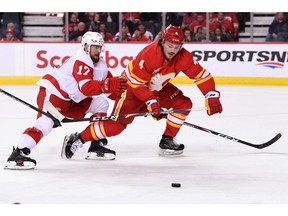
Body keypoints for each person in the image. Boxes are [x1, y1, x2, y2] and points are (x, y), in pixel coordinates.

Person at [62, 25, 223, 159]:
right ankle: (78, 138)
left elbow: (202, 76)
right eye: (169, 45)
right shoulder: (149, 54)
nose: (173, 50)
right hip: (131, 89)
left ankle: (167, 140)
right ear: (162, 41)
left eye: (177, 46)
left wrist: (211, 95)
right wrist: (152, 102)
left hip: (155, 89)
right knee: (116, 126)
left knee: (183, 104)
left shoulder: (184, 57)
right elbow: (136, 84)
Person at [4, 32, 128, 170]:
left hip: (74, 100)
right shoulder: (81, 60)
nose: (98, 51)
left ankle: (95, 143)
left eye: (100, 47)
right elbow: (86, 88)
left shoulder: (101, 66)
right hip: (55, 94)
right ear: (86, 46)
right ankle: (19, 152)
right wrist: (108, 85)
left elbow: (110, 91)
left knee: (101, 103)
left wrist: (129, 99)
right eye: (95, 47)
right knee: (46, 123)